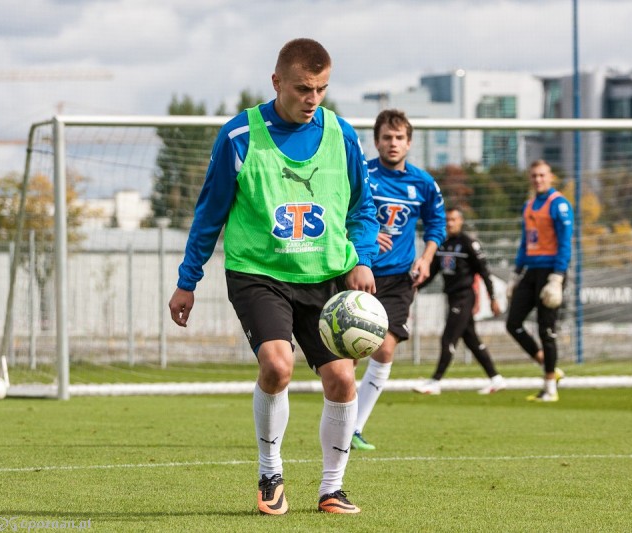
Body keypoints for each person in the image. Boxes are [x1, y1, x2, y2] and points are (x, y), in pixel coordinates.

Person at [168, 38, 379, 515]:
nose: (313, 99)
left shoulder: (342, 134)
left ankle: (331, 488)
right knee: (277, 366)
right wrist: (188, 280)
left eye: (322, 89)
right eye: (304, 88)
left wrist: (362, 258)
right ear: (277, 81)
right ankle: (270, 473)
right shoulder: (240, 136)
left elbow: (363, 208)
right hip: (259, 273)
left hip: (326, 275)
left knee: (343, 381)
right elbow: (209, 213)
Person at [351, 109, 446, 451]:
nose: (393, 143)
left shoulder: (423, 182)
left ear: (409, 142)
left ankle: (355, 427)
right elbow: (341, 213)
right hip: (360, 272)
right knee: (349, 354)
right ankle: (340, 417)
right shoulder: (361, 175)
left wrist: (426, 258)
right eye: (387, 138)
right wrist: (365, 234)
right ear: (376, 141)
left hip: (399, 279)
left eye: (399, 138)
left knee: (385, 347)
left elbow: (437, 224)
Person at [412, 207, 506, 396]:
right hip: (452, 297)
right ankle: (496, 379)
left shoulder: (468, 244)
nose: (450, 223)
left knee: (448, 338)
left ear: (461, 221)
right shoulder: (443, 245)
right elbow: (433, 272)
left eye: (454, 219)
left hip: (464, 297)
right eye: (447, 220)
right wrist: (414, 287)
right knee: (471, 340)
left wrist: (492, 298)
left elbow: (484, 272)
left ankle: (435, 381)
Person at [506, 159, 573, 402]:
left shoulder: (560, 205)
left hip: (550, 272)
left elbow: (565, 244)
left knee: (547, 330)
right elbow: (525, 242)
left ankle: (549, 389)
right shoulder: (529, 205)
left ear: (551, 176)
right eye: (534, 175)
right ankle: (548, 366)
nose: (538, 179)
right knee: (513, 323)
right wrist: (515, 275)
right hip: (530, 271)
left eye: (542, 175)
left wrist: (557, 277)